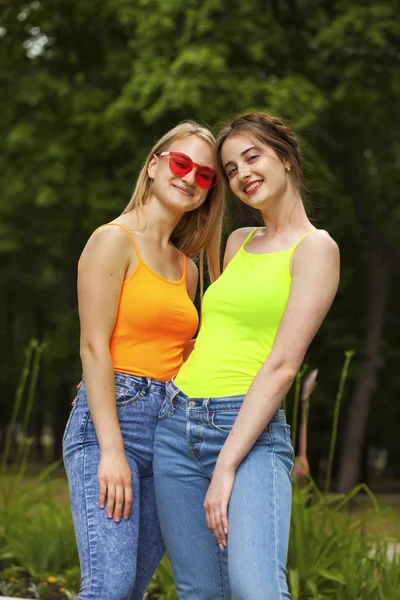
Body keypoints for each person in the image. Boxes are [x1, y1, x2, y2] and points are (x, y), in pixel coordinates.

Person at [153, 112, 340, 600]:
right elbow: (212, 335)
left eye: (251, 157)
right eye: (231, 170)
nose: (241, 175)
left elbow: (281, 366)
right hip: (177, 424)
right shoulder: (238, 242)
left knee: (255, 587)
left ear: (286, 156)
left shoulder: (316, 249)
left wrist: (226, 466)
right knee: (200, 591)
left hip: (249, 434)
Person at [62, 121, 224, 600]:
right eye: (180, 163)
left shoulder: (187, 269)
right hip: (114, 423)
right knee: (108, 586)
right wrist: (111, 450)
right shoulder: (112, 240)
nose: (190, 177)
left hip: (172, 432)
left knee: (132, 588)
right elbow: (93, 347)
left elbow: (181, 353)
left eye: (204, 174)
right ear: (154, 165)